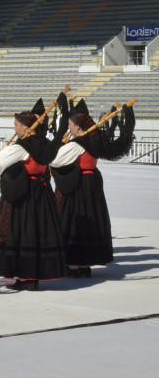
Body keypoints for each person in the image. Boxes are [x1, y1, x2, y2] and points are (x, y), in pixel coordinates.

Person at [50, 99, 134, 278]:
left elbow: (54, 160)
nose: (69, 127)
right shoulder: (93, 141)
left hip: (77, 184)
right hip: (92, 182)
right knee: (89, 220)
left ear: (79, 127)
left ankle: (72, 265)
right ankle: (84, 265)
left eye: (71, 124)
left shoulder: (76, 145)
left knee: (74, 221)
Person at [0, 98, 66, 291]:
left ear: (25, 128)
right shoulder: (44, 146)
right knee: (38, 233)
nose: (15, 129)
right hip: (42, 193)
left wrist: (4, 164)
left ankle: (25, 277)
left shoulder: (19, 148)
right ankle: (33, 277)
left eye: (16, 125)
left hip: (23, 194)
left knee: (22, 233)